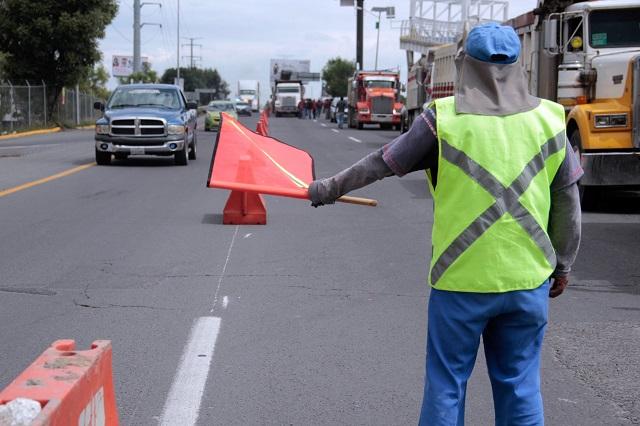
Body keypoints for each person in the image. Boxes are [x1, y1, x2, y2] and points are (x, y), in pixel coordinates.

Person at [309, 23, 582, 425]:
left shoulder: (443, 119)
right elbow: (568, 206)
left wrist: (329, 188)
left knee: (447, 385)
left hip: (460, 283)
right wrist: (562, 265)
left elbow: (381, 163)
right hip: (527, 283)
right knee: (520, 386)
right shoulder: (551, 119)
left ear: (464, 67)